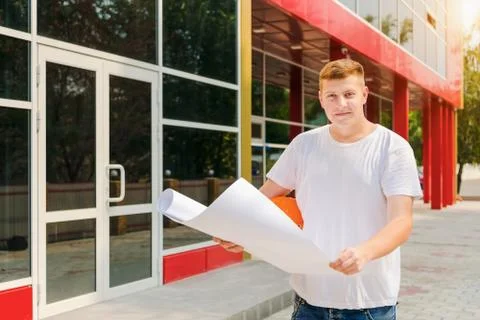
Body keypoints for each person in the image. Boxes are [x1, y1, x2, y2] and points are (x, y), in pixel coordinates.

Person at [214, 58, 422, 320]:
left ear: (364, 95)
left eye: (349, 94)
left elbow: (402, 221)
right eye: (332, 96)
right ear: (321, 99)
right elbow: (265, 198)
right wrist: (238, 231)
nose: (341, 104)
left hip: (368, 304)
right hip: (309, 302)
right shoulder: (304, 146)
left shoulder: (392, 148)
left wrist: (365, 252)